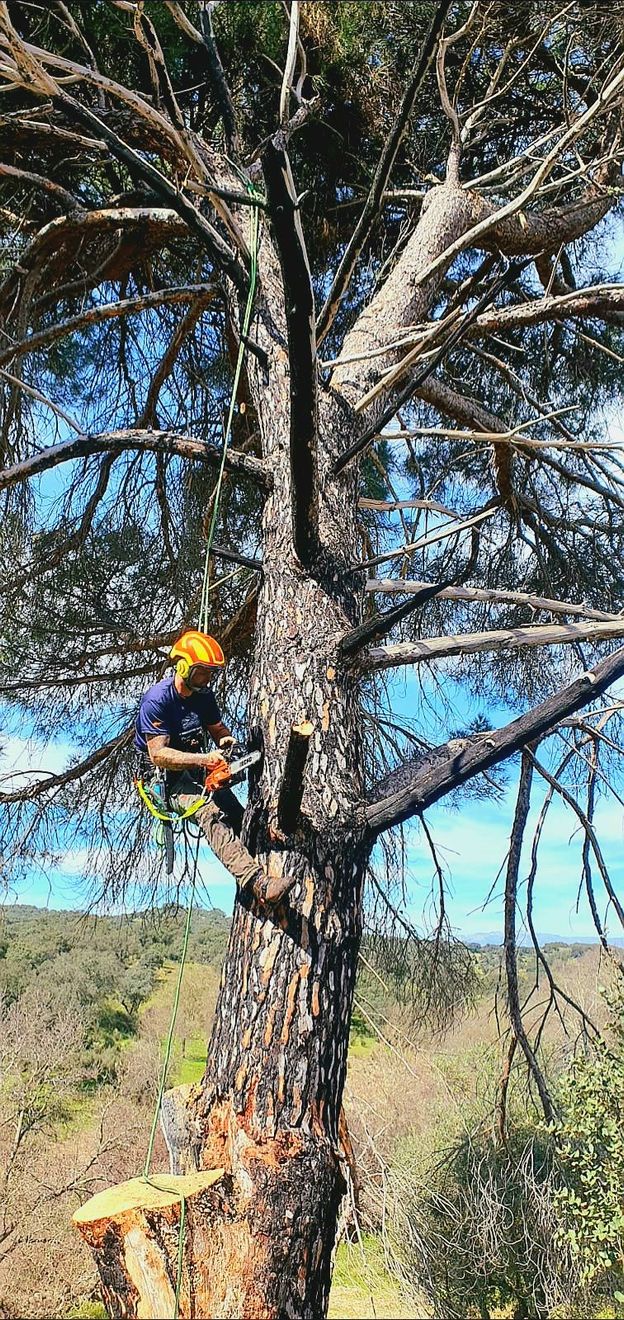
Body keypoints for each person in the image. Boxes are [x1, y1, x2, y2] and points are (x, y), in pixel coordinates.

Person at [134, 630, 294, 906]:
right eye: (202, 672)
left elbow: (218, 729)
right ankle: (259, 883)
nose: (207, 679)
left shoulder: (204, 697)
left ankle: (263, 841)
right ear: (184, 667)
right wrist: (203, 759)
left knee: (235, 811)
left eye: (211, 673)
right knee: (209, 814)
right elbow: (158, 755)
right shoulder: (157, 700)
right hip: (163, 778)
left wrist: (226, 742)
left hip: (196, 765)